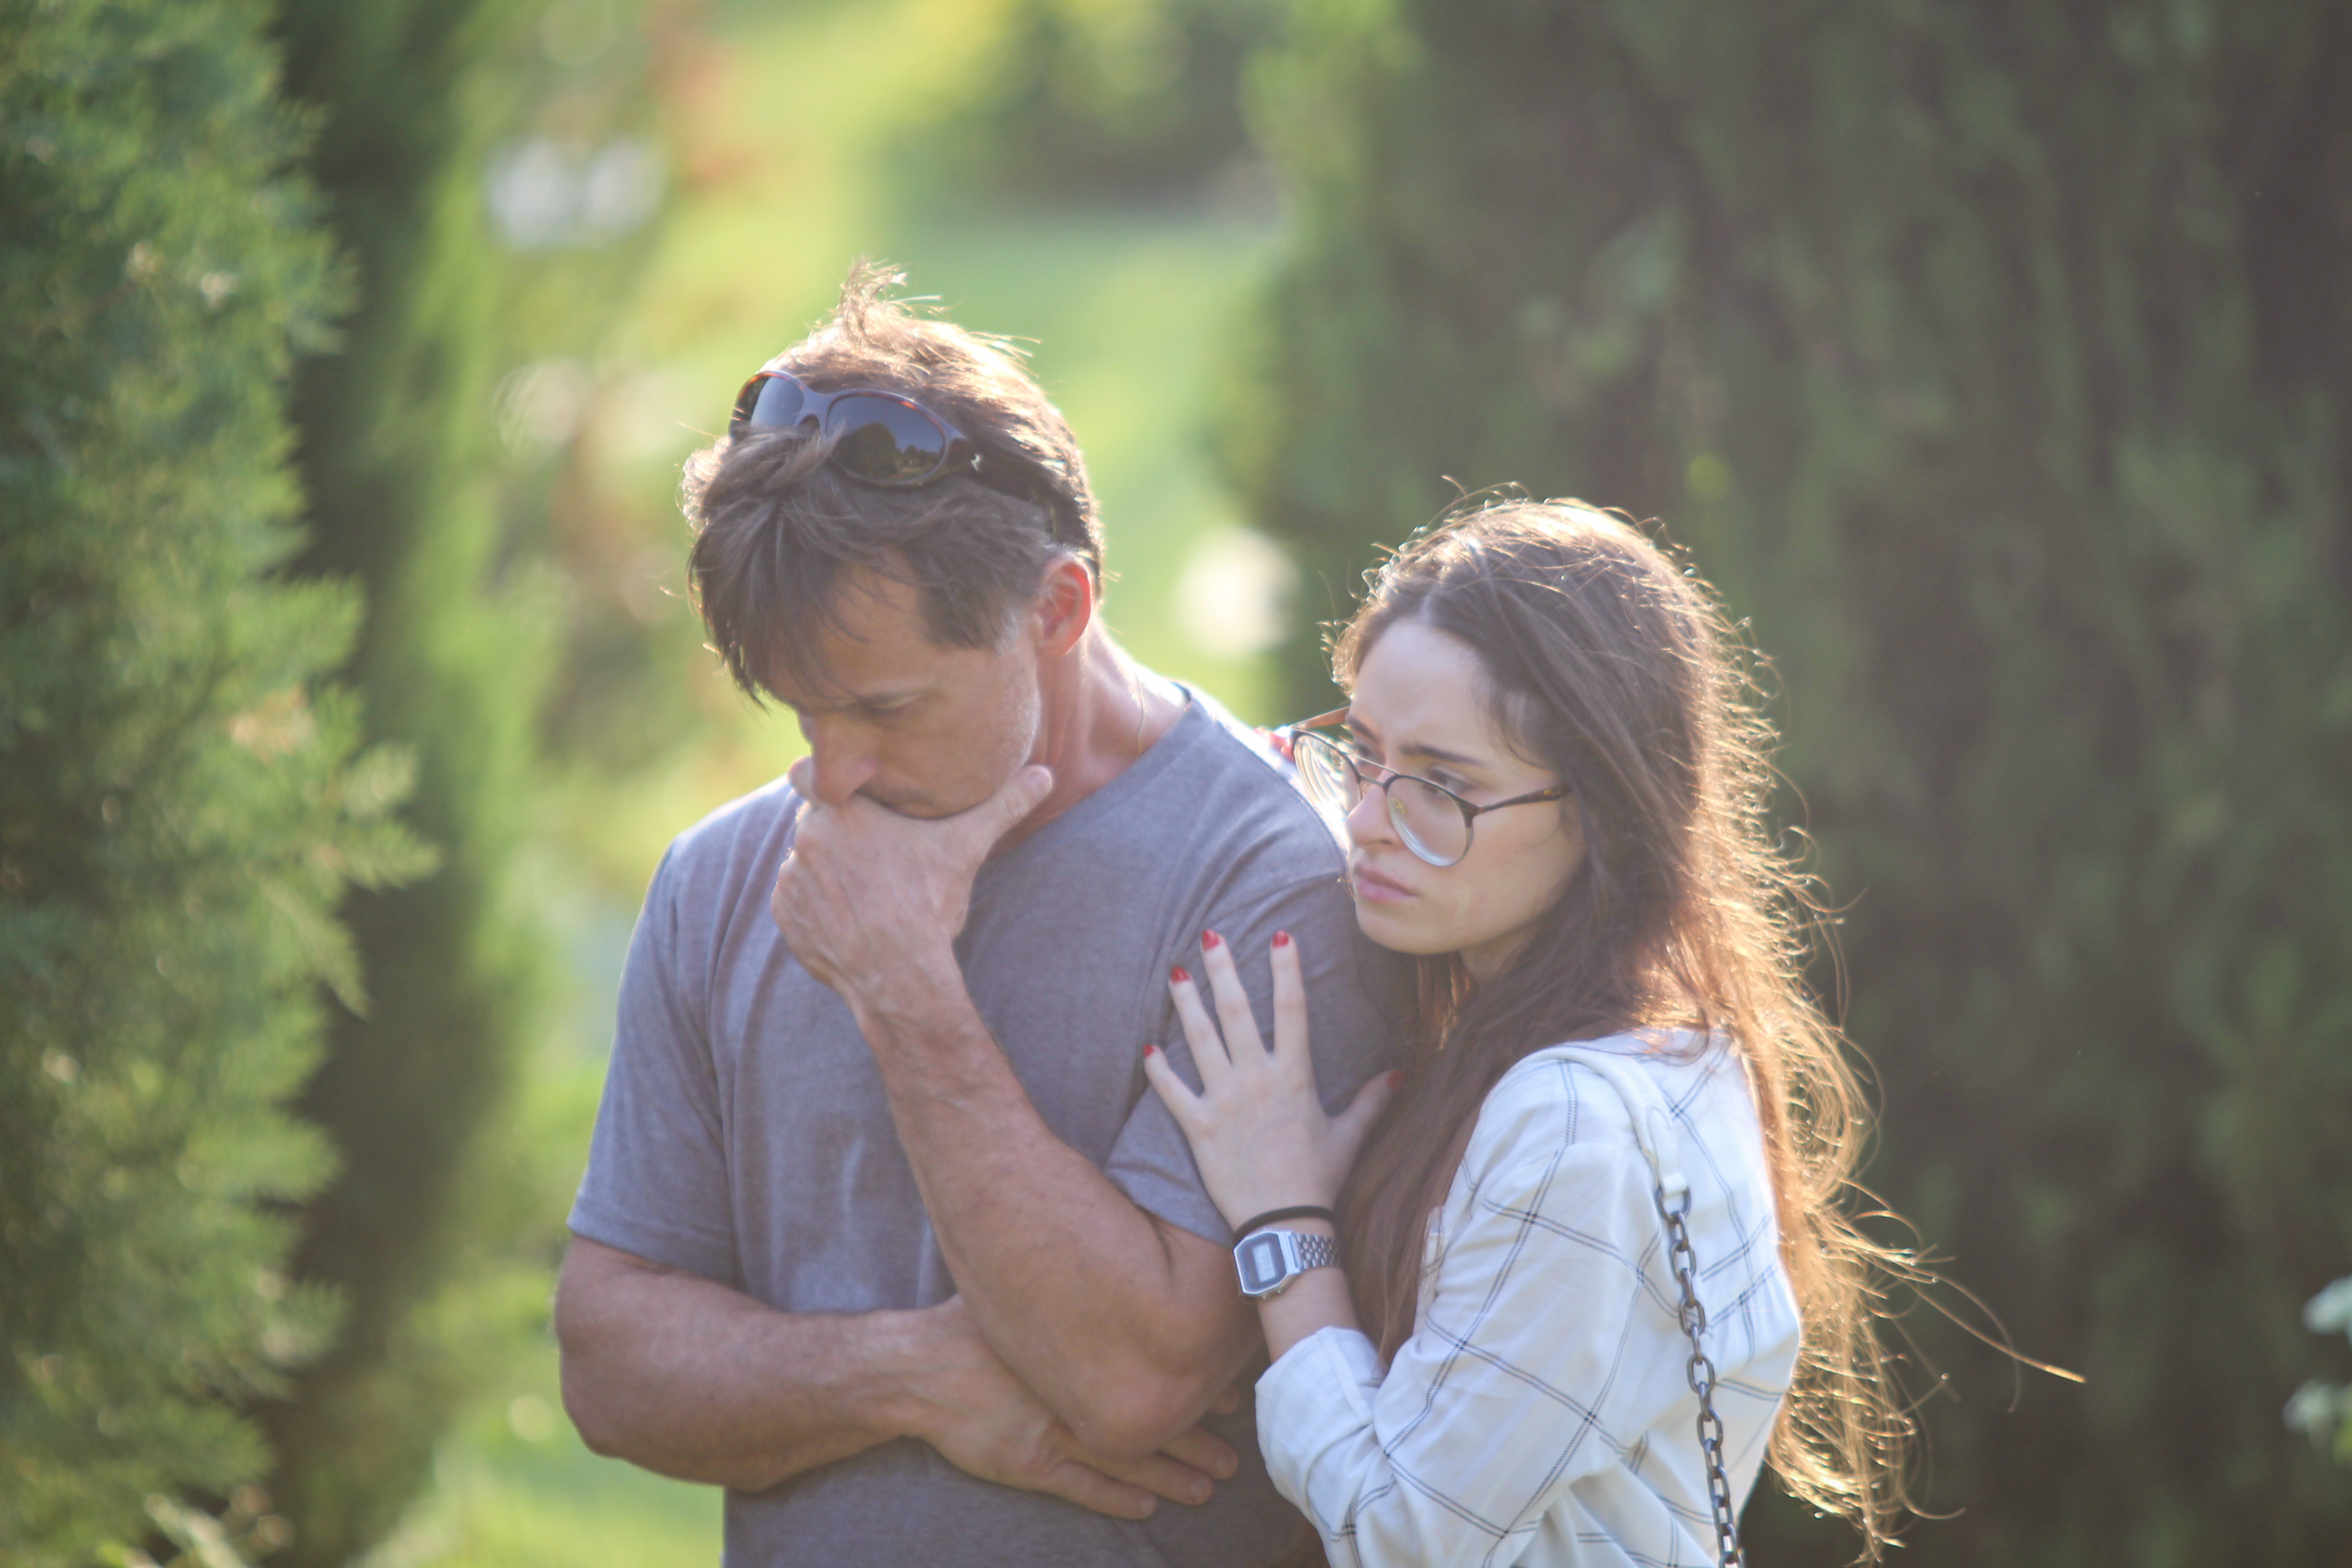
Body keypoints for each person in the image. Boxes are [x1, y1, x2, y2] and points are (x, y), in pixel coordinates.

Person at [553, 266, 1403, 1567]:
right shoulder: (724, 877)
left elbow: (1130, 1380)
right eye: (800, 711)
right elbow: (608, 1367)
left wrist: (904, 988)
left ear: (1056, 610)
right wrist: (905, 1376)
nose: (825, 779)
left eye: (884, 709)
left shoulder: (1272, 880)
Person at [1143, 500, 1918, 1566]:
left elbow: (1401, 1537)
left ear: (1599, 809)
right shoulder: (1667, 1046)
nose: (1369, 819)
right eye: (1361, 755)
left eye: (1442, 786)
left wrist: (1282, 1219)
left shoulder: (1573, 1123)